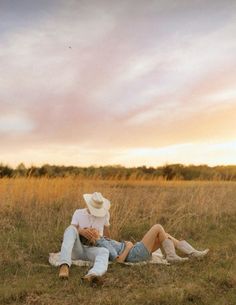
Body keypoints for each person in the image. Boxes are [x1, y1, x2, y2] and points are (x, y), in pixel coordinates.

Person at [59, 192, 111, 283]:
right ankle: (64, 265)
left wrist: (98, 236)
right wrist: (81, 231)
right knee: (71, 228)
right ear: (88, 204)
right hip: (78, 248)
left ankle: (93, 275)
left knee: (105, 251)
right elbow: (71, 232)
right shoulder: (78, 213)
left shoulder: (105, 215)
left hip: (93, 249)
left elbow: (108, 238)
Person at [87, 224, 209, 263]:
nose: (93, 229)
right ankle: (172, 256)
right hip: (134, 254)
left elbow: (113, 244)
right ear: (92, 237)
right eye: (90, 230)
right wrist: (129, 246)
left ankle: (192, 253)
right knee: (157, 227)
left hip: (135, 251)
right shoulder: (101, 243)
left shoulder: (103, 240)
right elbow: (118, 260)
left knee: (165, 236)